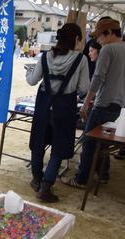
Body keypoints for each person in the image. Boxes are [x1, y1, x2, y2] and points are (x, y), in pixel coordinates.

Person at [25, 23, 89, 202]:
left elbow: (32, 81)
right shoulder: (80, 60)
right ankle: (46, 186)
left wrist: (29, 73)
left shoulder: (46, 56)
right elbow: (84, 87)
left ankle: (36, 179)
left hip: (44, 104)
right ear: (76, 39)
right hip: (65, 106)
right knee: (58, 148)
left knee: (38, 141)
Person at [61, 18, 125, 188]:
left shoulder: (108, 49)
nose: (98, 41)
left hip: (103, 103)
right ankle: (103, 174)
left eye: (100, 37)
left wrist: (86, 102)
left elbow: (97, 78)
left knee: (89, 142)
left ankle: (82, 179)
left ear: (110, 33)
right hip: (118, 105)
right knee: (102, 143)